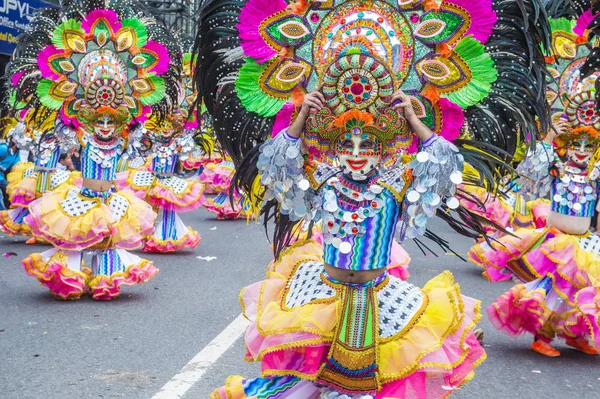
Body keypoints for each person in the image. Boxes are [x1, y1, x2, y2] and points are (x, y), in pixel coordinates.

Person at [197, 0, 551, 396]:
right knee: (309, 386)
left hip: (378, 302)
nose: (357, 151)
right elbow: (279, 166)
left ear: (384, 149)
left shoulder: (396, 186)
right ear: (333, 146)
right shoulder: (326, 183)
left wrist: (414, 120)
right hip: (324, 297)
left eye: (368, 144)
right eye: (347, 142)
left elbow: (443, 164)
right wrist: (302, 114)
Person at [8, 1, 180, 300]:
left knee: (109, 241)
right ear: (88, 118)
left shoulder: (121, 140)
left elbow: (142, 132)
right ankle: (70, 277)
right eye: (97, 119)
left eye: (108, 120)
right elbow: (63, 125)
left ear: (117, 120)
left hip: (110, 198)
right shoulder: (82, 136)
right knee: (74, 241)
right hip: (84, 197)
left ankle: (106, 279)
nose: (103, 125)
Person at [0, 140, 19, 210]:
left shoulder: (17, 154)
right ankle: (2, 214)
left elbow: (14, 167)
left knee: (9, 190)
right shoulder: (3, 148)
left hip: (1, 177)